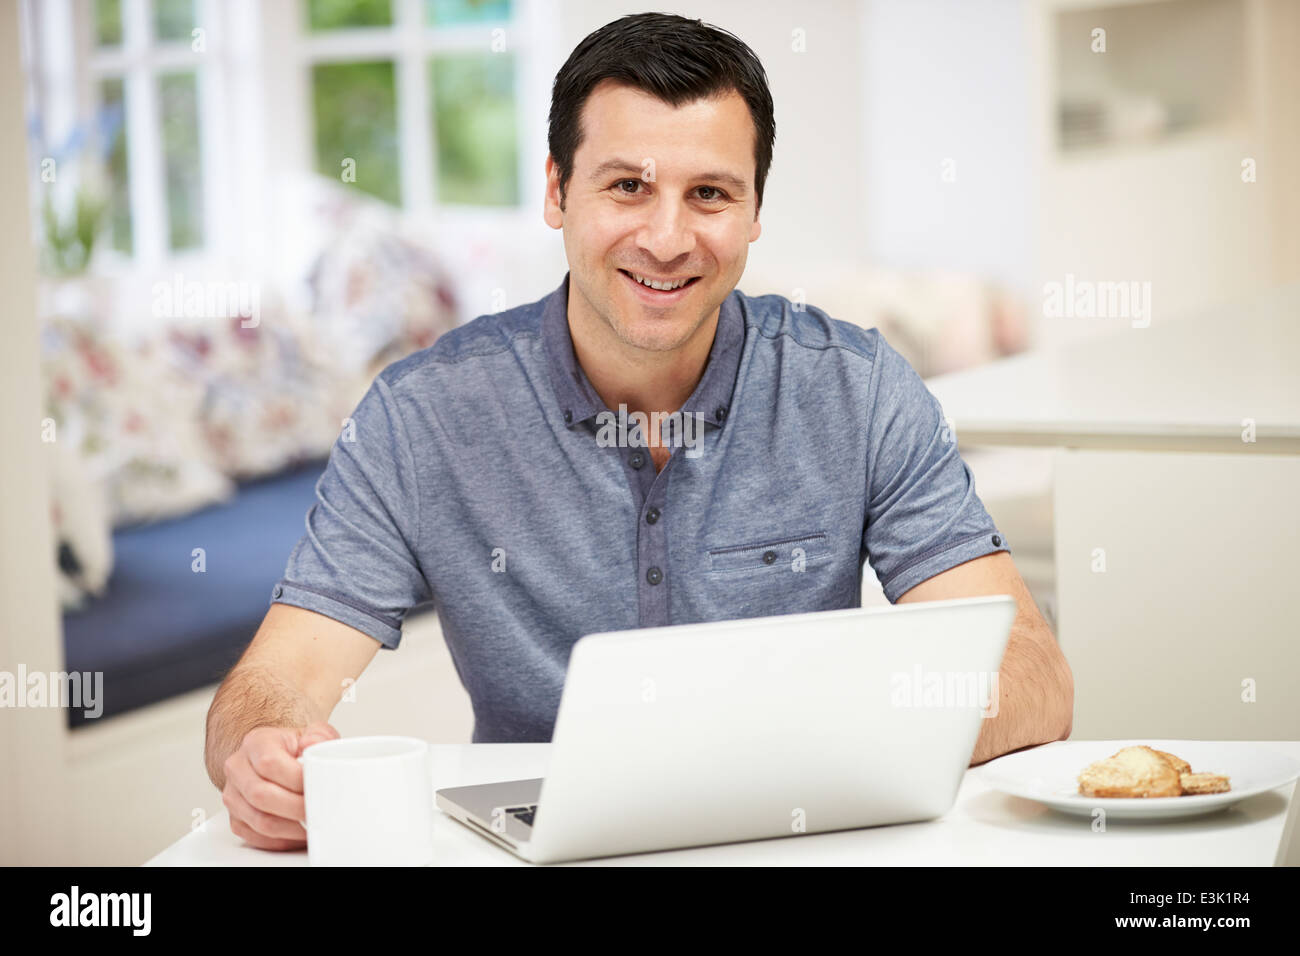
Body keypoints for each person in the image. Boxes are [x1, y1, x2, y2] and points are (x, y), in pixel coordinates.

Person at [205, 12, 1073, 851]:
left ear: (755, 210)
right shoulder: (422, 416)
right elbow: (274, 684)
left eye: (709, 194)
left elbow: (1034, 680)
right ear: (557, 190)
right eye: (628, 186)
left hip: (796, 842)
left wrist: (825, 748)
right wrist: (266, 756)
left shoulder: (859, 390)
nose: (667, 238)